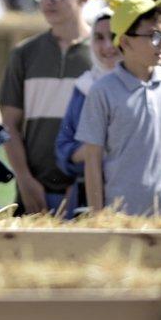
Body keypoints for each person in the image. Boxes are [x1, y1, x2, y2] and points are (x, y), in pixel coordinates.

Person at [76, 0, 161, 218]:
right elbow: (92, 160)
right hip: (121, 216)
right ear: (125, 41)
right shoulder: (102, 91)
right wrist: (97, 216)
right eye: (154, 36)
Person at [0, 0, 93, 214]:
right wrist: (25, 181)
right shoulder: (24, 54)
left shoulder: (104, 55)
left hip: (89, 194)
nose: (47, 1)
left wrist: (84, 183)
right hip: (34, 195)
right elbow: (9, 125)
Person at [54, 11, 120, 215]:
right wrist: (95, 148)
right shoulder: (85, 88)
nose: (108, 46)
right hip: (90, 198)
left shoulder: (154, 83)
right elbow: (63, 148)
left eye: (114, 36)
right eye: (99, 38)